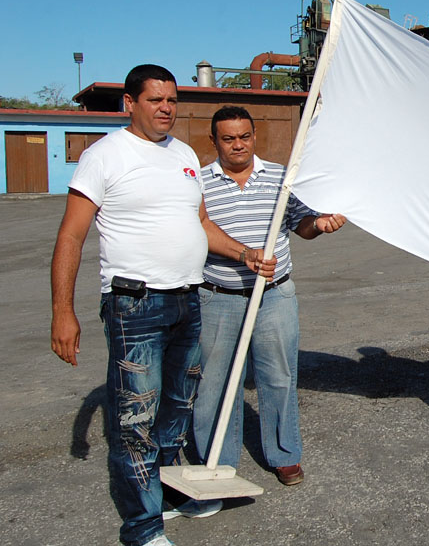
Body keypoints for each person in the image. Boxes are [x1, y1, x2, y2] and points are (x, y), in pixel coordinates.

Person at [50, 65, 275, 546]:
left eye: (171, 100)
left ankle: (169, 493)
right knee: (135, 418)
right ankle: (142, 528)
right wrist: (62, 312)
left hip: (186, 299)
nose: (166, 108)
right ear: (129, 104)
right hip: (135, 305)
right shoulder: (104, 156)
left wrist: (244, 253)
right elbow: (71, 235)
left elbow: (199, 224)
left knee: (176, 408)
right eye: (154, 100)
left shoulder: (185, 155)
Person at [193, 106, 346, 486]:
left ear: (254, 136)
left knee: (278, 376)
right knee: (215, 381)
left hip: (275, 297)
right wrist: (244, 255)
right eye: (228, 139)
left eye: (244, 137)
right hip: (219, 295)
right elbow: (198, 229)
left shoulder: (280, 179)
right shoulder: (198, 183)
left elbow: (302, 226)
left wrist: (321, 224)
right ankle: (218, 459)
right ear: (213, 141)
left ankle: (283, 454)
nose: (238, 145)